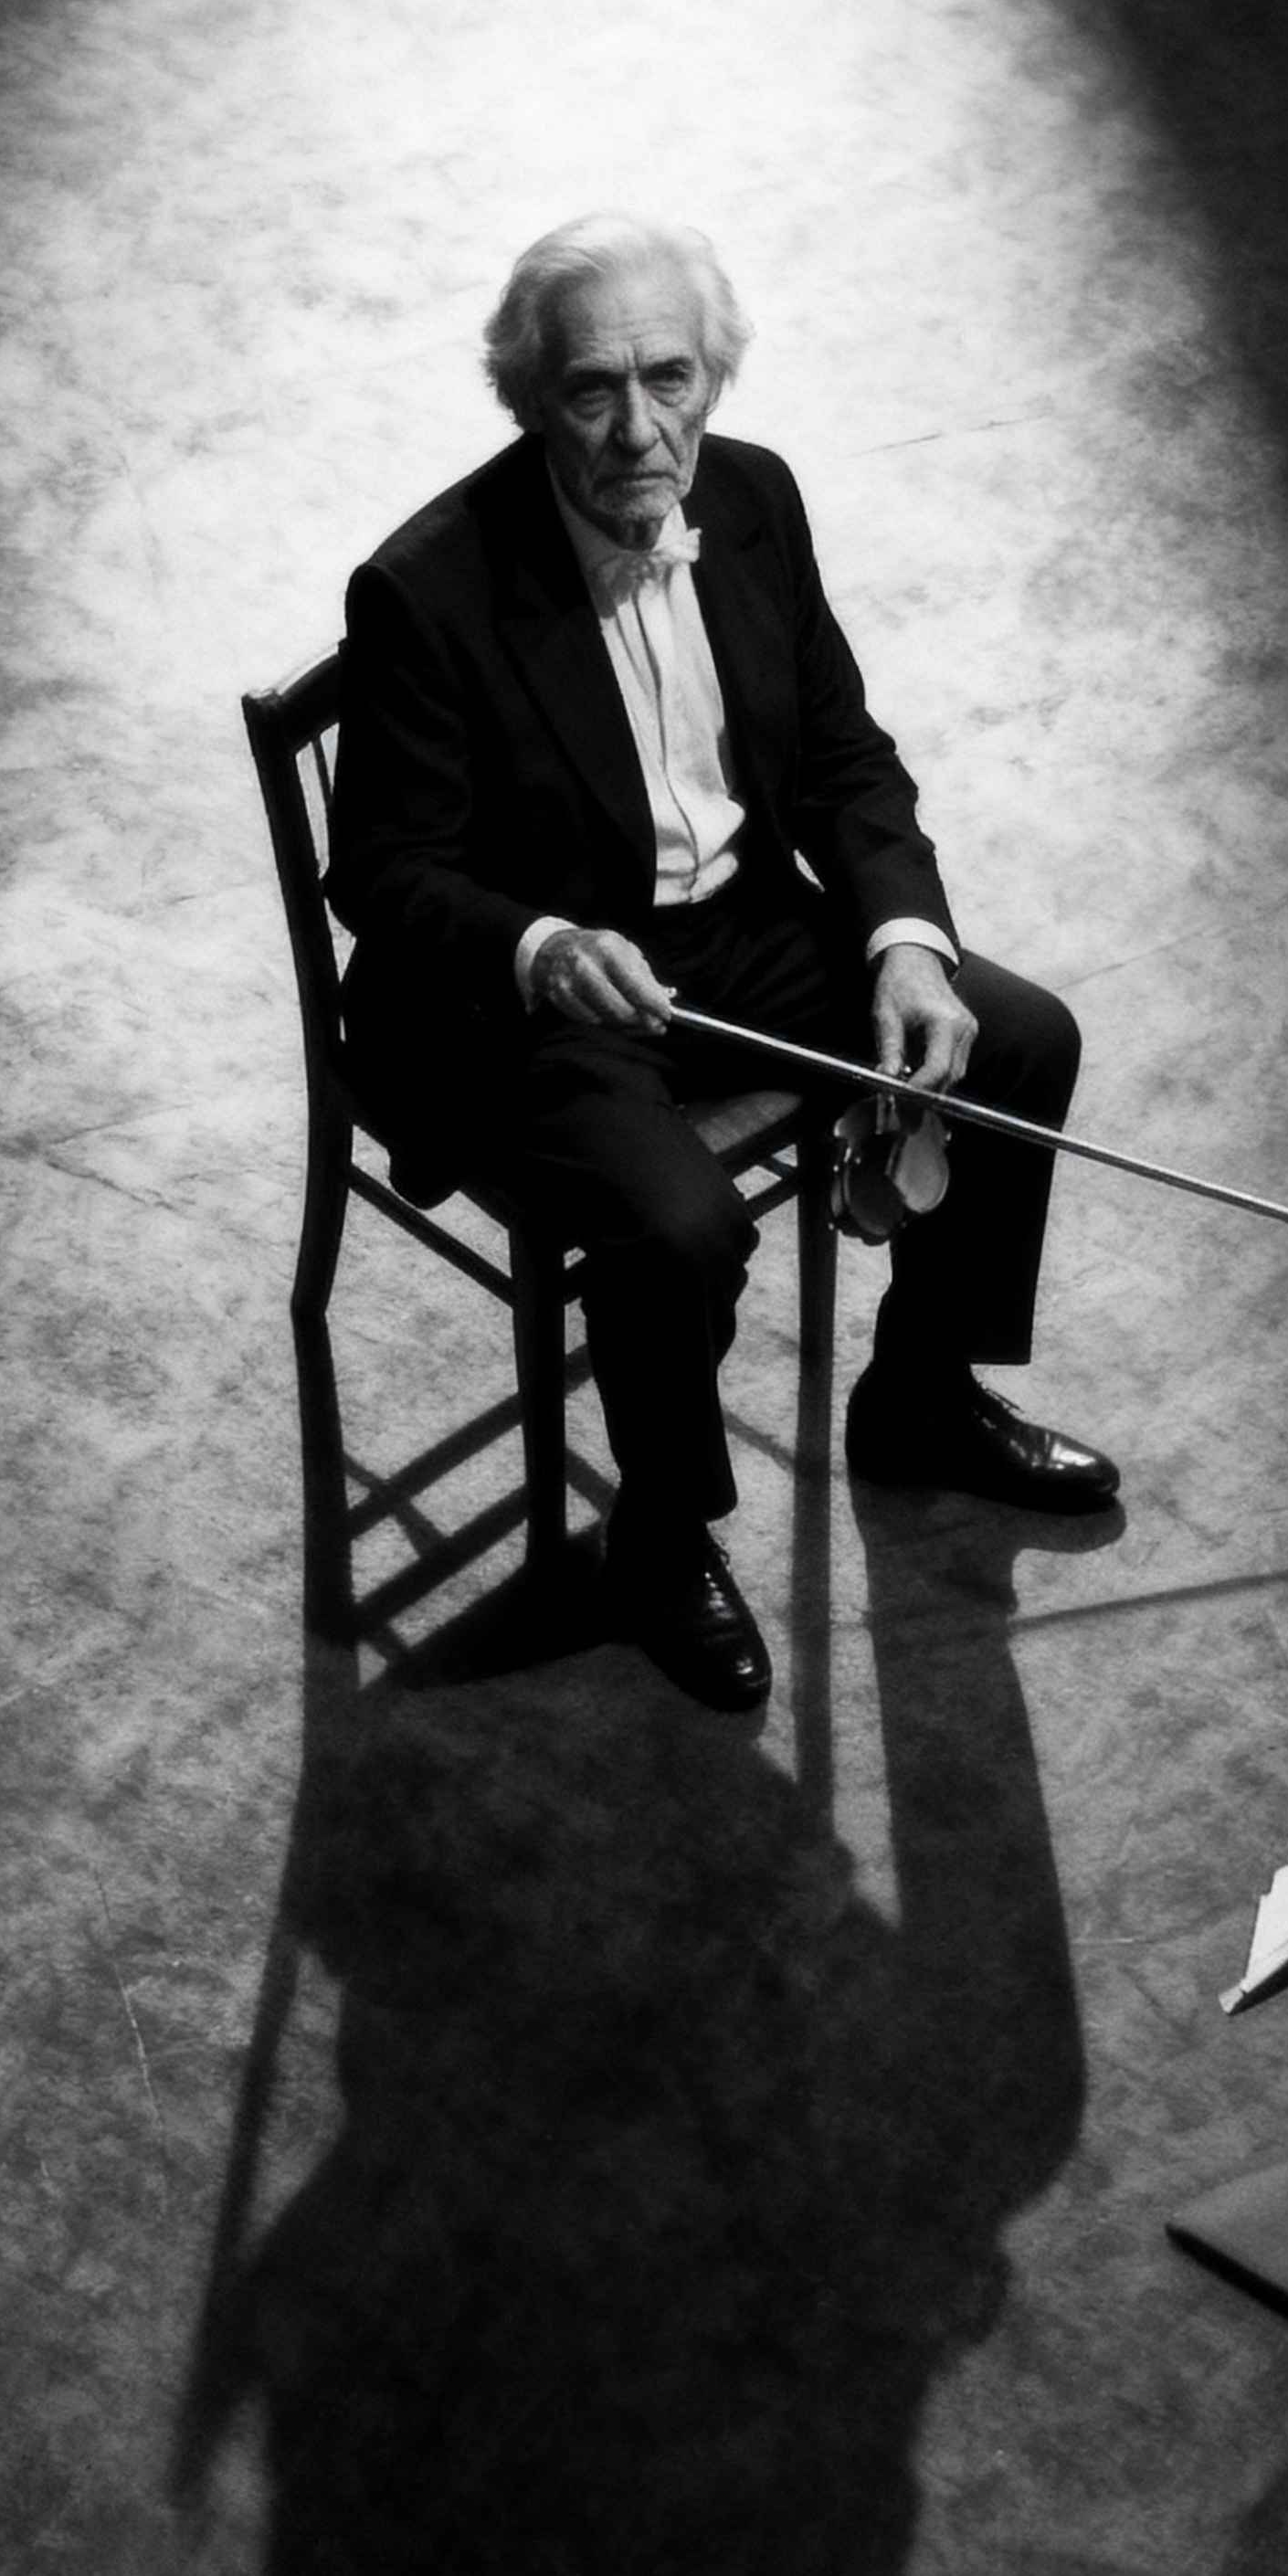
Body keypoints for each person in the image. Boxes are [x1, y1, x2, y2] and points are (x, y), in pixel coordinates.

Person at [331, 213, 1118, 1707]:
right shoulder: (422, 591)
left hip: (739, 929)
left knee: (1017, 1037)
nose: (641, 430)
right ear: (528, 399)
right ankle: (663, 1533)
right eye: (592, 391)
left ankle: (922, 1392)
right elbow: (382, 869)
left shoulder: (753, 500)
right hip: (546, 1001)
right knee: (680, 1225)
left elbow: (840, 756)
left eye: (670, 380)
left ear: (715, 380)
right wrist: (543, 942)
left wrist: (903, 940)